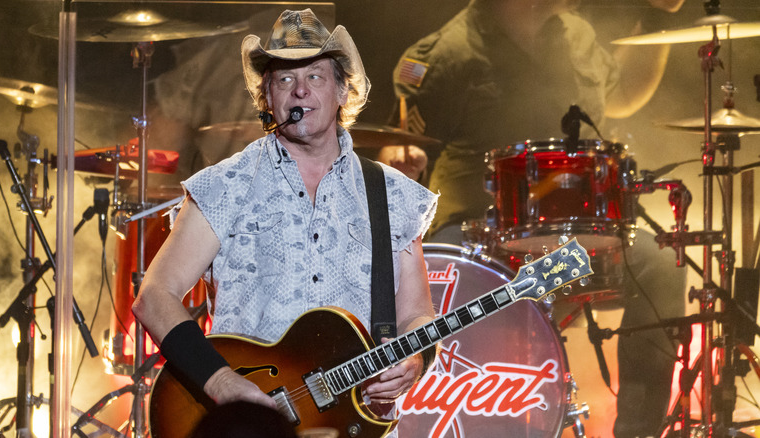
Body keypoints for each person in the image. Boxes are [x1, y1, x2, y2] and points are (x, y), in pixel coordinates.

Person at [386, 0, 687, 437]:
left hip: (572, 244)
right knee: (445, 284)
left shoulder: (577, 36)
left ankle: (638, 432)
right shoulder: (444, 54)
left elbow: (622, 95)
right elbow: (399, 142)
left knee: (658, 270)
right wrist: (397, 157)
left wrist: (660, 16)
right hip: (481, 237)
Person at [132, 7, 438, 429]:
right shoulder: (226, 186)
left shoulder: (393, 195)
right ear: (267, 98)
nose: (299, 91)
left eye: (314, 76)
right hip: (249, 427)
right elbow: (154, 296)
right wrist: (220, 381)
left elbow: (416, 316)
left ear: (343, 91)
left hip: (355, 425)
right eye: (284, 79)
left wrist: (414, 358)